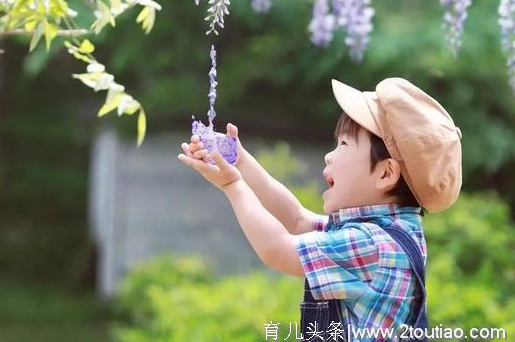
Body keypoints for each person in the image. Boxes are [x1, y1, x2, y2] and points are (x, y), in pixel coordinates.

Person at [178, 77, 463, 338]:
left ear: (386, 174)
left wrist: (233, 186)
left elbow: (277, 249)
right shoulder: (386, 232)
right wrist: (239, 159)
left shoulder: (372, 245)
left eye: (343, 144)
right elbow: (297, 217)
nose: (329, 156)